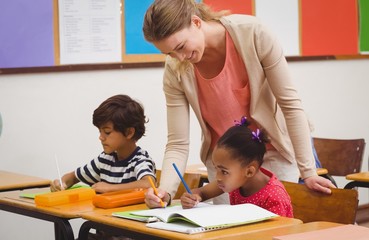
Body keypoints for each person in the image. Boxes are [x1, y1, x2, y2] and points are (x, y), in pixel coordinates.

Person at [143, 0, 335, 207]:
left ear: (196, 22)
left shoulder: (253, 33)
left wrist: (308, 172)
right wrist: (165, 192)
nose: (179, 57)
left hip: (274, 152)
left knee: (273, 227)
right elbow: (178, 142)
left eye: (180, 47)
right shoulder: (175, 68)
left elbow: (290, 105)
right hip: (225, 163)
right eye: (169, 53)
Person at [181, 117, 293, 217]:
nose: (218, 177)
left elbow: (277, 234)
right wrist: (193, 197)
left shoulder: (274, 197)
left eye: (224, 172)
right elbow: (202, 192)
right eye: (216, 169)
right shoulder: (237, 181)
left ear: (249, 171)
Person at [50, 94, 156, 193]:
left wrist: (110, 188)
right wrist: (61, 182)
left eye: (107, 132)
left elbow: (149, 184)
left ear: (129, 132)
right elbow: (73, 177)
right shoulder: (105, 159)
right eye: (100, 131)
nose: (101, 137)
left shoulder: (140, 160)